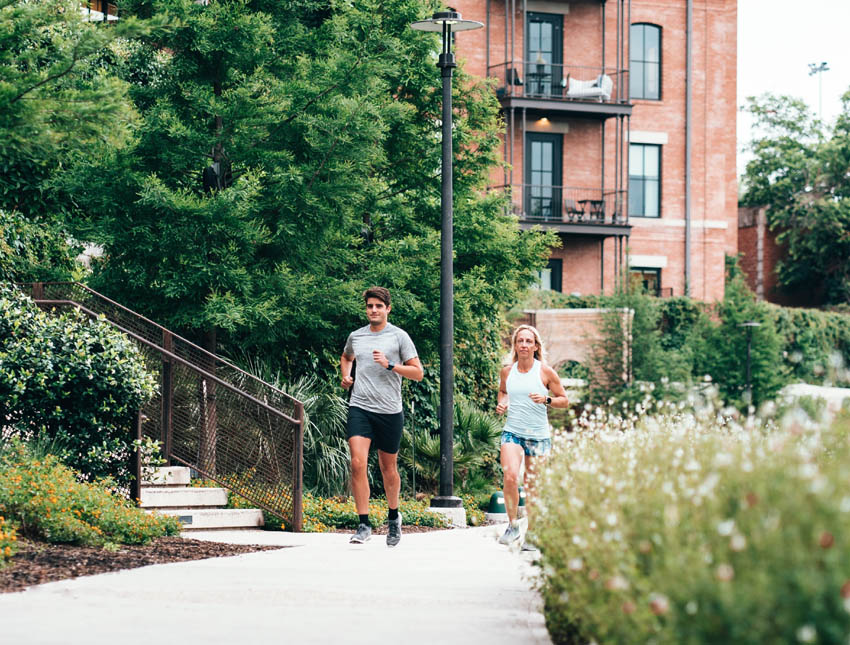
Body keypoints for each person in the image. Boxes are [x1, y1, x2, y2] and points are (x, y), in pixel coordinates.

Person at [341, 286, 423, 547]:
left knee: (388, 468)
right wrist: (346, 375)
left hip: (389, 411)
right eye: (369, 306)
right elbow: (346, 356)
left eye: (378, 306)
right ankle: (364, 524)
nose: (373, 310)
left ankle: (393, 517)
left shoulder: (399, 337)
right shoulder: (357, 336)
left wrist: (390, 365)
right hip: (360, 406)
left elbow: (418, 372)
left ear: (388, 308)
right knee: (357, 462)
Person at [495, 324, 568, 548]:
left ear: (535, 346)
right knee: (510, 476)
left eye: (529, 341)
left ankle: (533, 533)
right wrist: (502, 403)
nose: (524, 345)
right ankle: (513, 524)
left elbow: (564, 400)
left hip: (538, 435)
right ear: (515, 345)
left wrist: (546, 400)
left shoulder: (545, 372)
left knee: (532, 485)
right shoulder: (507, 371)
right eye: (520, 341)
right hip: (513, 432)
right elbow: (504, 391)